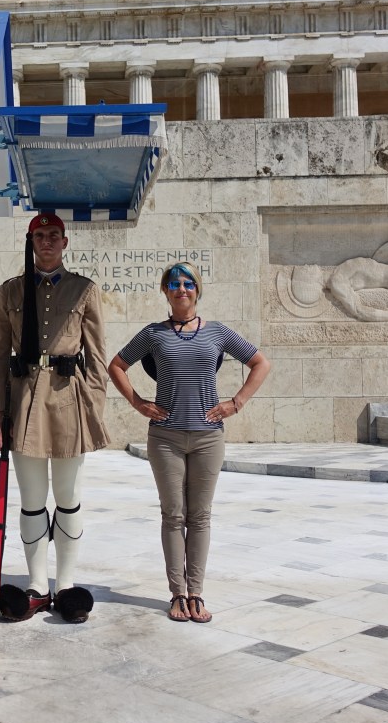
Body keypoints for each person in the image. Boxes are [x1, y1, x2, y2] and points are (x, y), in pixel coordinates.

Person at [108, 262, 270, 623]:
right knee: (173, 515)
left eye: (187, 283)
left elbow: (260, 363)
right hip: (165, 437)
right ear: (165, 291)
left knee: (199, 516)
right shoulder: (154, 334)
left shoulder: (218, 333)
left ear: (197, 289)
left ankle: (196, 593)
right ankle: (177, 594)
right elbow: (116, 365)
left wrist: (236, 403)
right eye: (173, 284)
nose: (181, 289)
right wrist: (138, 402)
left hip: (208, 438)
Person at [0, 212, 110, 623]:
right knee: (32, 500)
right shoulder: (10, 291)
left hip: (68, 399)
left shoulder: (84, 290)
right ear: (31, 241)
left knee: (68, 498)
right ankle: (38, 585)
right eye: (40, 236)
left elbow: (97, 356)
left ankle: (67, 583)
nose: (47, 242)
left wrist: (92, 407)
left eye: (54, 235)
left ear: (65, 242)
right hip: (24, 402)